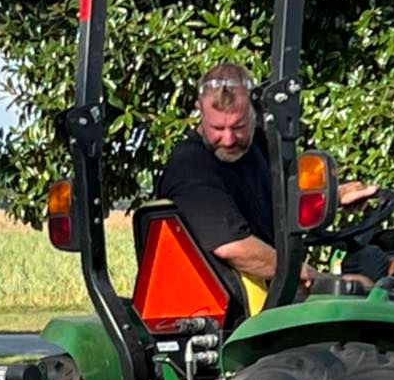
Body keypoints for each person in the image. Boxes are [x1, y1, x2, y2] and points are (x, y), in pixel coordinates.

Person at [158, 62, 378, 294]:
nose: (229, 139)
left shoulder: (259, 147)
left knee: (374, 281)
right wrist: (312, 276)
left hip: (269, 292)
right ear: (199, 111)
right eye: (217, 128)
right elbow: (234, 247)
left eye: (239, 126)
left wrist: (335, 196)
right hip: (235, 308)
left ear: (255, 112)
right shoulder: (190, 167)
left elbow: (283, 197)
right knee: (361, 291)